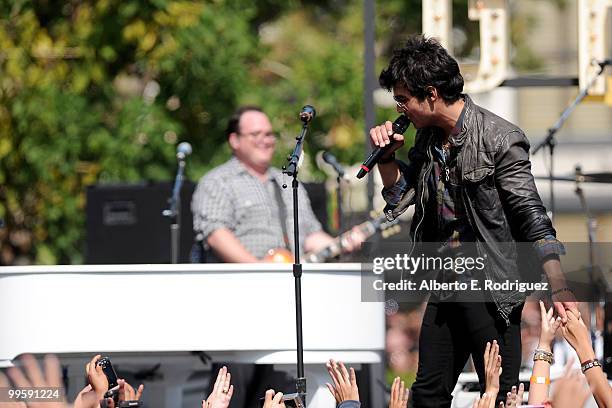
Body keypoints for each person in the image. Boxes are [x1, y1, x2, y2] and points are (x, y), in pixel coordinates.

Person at [369, 35, 578, 407]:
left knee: (501, 396)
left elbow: (531, 216)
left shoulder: (500, 138)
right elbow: (402, 197)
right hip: (445, 281)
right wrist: (386, 159)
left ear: (431, 93)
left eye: (404, 99)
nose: (401, 109)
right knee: (427, 395)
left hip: (492, 289)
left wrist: (558, 286)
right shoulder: (427, 139)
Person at [191, 105, 361, 263]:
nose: (265, 140)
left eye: (269, 134)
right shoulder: (218, 181)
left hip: (294, 283)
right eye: (256, 134)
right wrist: (259, 270)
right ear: (235, 140)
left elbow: (310, 235)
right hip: (242, 284)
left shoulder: (289, 181)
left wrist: (341, 244)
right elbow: (216, 234)